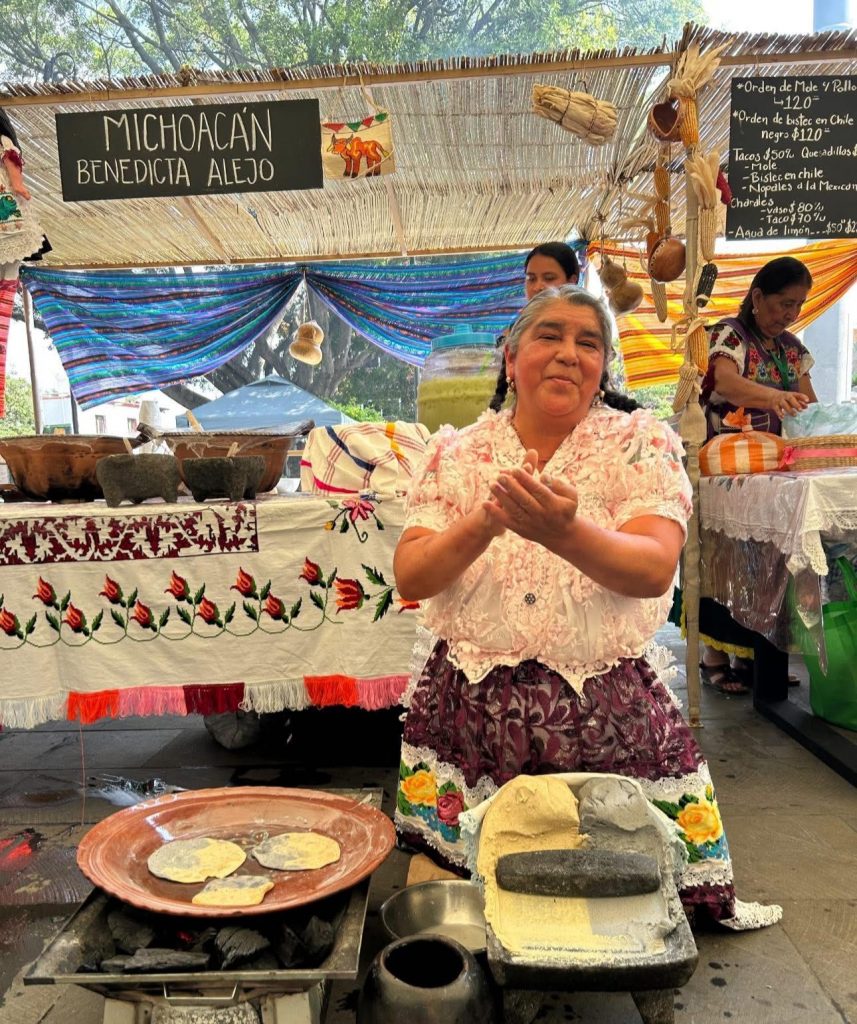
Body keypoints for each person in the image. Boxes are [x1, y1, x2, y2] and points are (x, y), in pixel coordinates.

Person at [394, 284, 779, 929]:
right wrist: (486, 521)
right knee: (476, 906)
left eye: (589, 343)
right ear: (510, 357)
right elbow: (412, 573)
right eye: (549, 336)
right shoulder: (456, 454)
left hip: (603, 716)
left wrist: (565, 533)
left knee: (617, 903)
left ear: (603, 366)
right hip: (470, 714)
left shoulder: (638, 444)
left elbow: (654, 569)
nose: (569, 354)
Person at [695, 256, 816, 694]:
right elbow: (725, 383)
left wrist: (807, 413)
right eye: (784, 303)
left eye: (798, 305)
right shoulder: (729, 335)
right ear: (758, 296)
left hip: (773, 474)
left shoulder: (791, 349)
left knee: (766, 565)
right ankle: (714, 655)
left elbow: (809, 404)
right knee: (722, 562)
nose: (791, 313)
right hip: (725, 469)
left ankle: (757, 657)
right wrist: (773, 397)